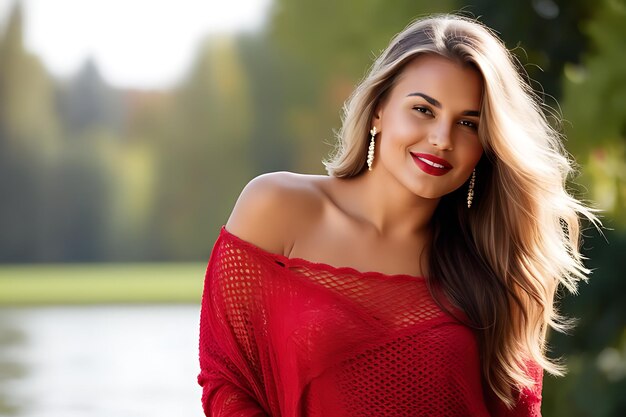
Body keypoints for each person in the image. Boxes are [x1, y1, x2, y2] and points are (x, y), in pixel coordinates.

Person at [197, 14, 598, 417]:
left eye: (468, 123)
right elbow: (227, 380)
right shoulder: (277, 208)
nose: (442, 139)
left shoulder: (498, 267)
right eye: (424, 109)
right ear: (378, 110)